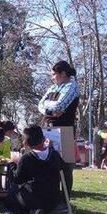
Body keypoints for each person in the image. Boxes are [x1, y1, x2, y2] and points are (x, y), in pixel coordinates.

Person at [3, 124, 65, 214]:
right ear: (43, 138)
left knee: (9, 198)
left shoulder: (26, 158)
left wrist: (12, 164)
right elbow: (62, 166)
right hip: (54, 199)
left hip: (34, 198)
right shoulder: (54, 154)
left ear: (26, 143)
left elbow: (17, 179)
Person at [38, 60, 79, 203]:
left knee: (66, 166)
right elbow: (40, 105)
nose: (52, 77)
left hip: (65, 131)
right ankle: (51, 198)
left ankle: (65, 201)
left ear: (63, 74)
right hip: (47, 129)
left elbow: (60, 105)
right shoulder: (52, 88)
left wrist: (50, 108)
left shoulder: (72, 86)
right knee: (48, 164)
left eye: (54, 74)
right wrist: (50, 109)